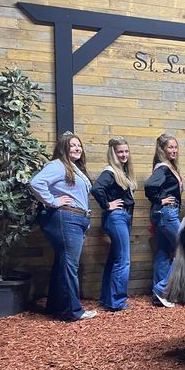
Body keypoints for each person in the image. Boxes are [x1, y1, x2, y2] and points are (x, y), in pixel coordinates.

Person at [30, 131, 96, 322]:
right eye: (72, 145)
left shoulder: (74, 168)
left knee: (62, 263)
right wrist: (52, 201)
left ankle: (56, 306)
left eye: (79, 146)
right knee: (69, 265)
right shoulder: (58, 165)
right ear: (63, 148)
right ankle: (72, 311)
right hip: (67, 218)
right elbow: (36, 183)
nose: (77, 148)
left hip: (75, 219)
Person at [91, 137, 136, 312]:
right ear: (113, 154)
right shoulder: (110, 172)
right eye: (120, 152)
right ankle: (117, 302)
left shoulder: (122, 172)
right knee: (123, 260)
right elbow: (97, 189)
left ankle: (107, 298)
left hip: (121, 218)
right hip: (116, 217)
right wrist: (107, 204)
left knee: (115, 259)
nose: (124, 154)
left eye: (126, 151)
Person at [144, 133, 181, 308]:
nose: (173, 150)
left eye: (175, 147)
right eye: (170, 147)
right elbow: (150, 185)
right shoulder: (163, 168)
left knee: (162, 252)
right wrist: (160, 200)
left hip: (162, 214)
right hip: (167, 213)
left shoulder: (168, 167)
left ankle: (159, 295)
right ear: (163, 150)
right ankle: (162, 289)